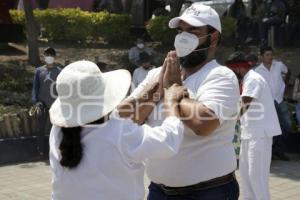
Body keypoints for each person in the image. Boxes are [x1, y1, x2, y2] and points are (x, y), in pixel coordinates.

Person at [129, 3, 241, 199]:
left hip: (208, 191)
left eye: (192, 31)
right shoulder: (158, 74)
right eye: (180, 30)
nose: (183, 37)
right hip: (159, 190)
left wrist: (172, 88)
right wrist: (158, 90)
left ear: (212, 37)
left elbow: (203, 124)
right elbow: (130, 119)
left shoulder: (220, 76)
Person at [48, 60, 188, 200]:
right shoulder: (121, 132)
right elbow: (169, 140)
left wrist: (151, 94)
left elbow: (114, 115)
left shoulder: (58, 131)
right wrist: (171, 101)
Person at [229, 59, 281, 200]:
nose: (232, 74)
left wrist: (226, 121)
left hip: (259, 135)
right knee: (246, 176)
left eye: (233, 71)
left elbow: (245, 105)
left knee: (257, 177)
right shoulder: (247, 79)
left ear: (239, 68)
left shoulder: (253, 79)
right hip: (249, 134)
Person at [255, 46, 291, 160]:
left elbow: (288, 71)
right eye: (267, 55)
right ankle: (272, 151)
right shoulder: (257, 71)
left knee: (287, 125)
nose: (270, 57)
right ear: (261, 56)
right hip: (267, 102)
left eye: (271, 54)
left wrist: (284, 84)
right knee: (270, 127)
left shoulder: (279, 65)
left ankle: (278, 150)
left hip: (279, 100)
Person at [31, 47, 61, 156]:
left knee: (57, 128)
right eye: (47, 55)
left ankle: (56, 150)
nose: (49, 57)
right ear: (43, 56)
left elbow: (63, 88)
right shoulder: (39, 71)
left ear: (54, 57)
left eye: (51, 55)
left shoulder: (59, 71)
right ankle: (41, 151)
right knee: (40, 128)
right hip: (42, 104)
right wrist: (35, 102)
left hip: (56, 104)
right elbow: (35, 87)